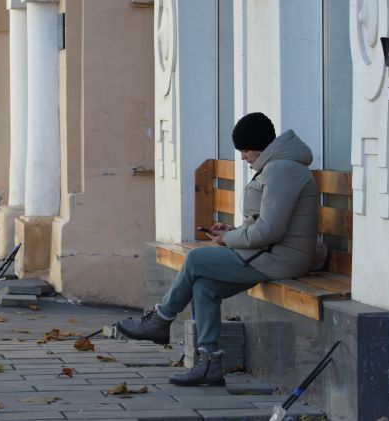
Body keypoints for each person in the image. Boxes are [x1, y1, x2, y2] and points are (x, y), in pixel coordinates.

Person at [116, 112, 318, 387]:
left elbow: (270, 231)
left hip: (282, 258)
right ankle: (209, 364)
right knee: (205, 287)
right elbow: (262, 223)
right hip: (271, 253)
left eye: (245, 150)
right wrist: (231, 231)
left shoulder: (283, 169)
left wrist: (229, 239)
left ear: (259, 145)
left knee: (197, 258)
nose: (244, 157)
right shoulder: (275, 167)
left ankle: (161, 319)